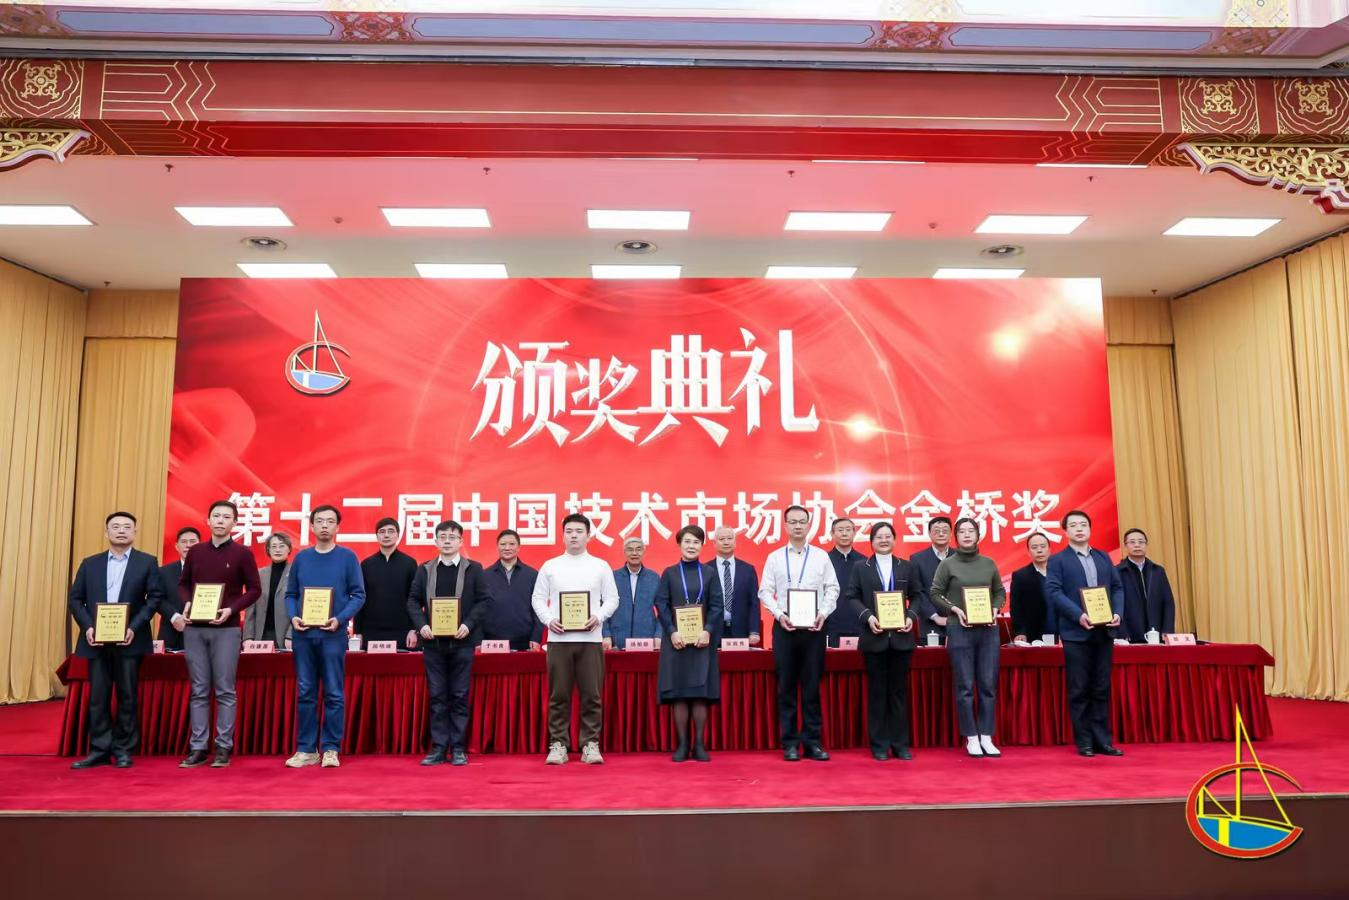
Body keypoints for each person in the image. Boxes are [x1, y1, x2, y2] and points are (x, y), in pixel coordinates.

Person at [67, 512, 165, 769]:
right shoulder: (90, 563)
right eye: (116, 526)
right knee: (98, 697)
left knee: (127, 696)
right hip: (96, 640)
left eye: (127, 527)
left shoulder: (147, 562)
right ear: (106, 532)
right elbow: (76, 599)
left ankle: (123, 749)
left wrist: (133, 627)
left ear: (134, 532)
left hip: (130, 640)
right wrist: (88, 627)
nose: (121, 530)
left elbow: (154, 598)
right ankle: (99, 749)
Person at [170, 500, 261, 769]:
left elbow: (254, 590)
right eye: (216, 516)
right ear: (208, 521)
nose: (220, 521)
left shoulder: (243, 553)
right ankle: (198, 747)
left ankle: (223, 746)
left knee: (225, 690)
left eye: (226, 517)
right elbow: (183, 584)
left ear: (235, 523)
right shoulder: (196, 552)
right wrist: (187, 602)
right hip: (195, 628)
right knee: (198, 690)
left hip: (227, 629)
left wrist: (231, 609)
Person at [531, 513, 620, 765]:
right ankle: (558, 744)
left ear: (588, 535)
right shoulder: (550, 566)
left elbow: (612, 599)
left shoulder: (600, 566)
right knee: (558, 695)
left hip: (590, 639)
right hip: (558, 640)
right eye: (569, 531)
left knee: (592, 695)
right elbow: (538, 599)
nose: (574, 536)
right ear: (563, 535)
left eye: (579, 531)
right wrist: (549, 620)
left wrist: (598, 617)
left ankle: (590, 744)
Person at [284, 504, 365, 769]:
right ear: (312, 526)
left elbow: (358, 595)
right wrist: (293, 616)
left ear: (338, 527)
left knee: (334, 693)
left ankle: (331, 748)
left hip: (333, 635)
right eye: (320, 521)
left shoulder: (348, 557)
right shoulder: (302, 558)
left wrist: (340, 619)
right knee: (306, 692)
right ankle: (307, 749)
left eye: (330, 521)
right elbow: (291, 594)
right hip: (304, 635)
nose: (325, 526)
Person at [407, 520, 493, 766]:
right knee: (437, 696)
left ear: (460, 541)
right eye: (442, 537)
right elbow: (412, 601)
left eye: (452, 537)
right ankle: (438, 748)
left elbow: (485, 600)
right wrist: (421, 625)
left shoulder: (473, 569)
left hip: (463, 642)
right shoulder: (425, 569)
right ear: (435, 541)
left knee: (459, 695)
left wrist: (468, 624)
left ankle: (457, 748)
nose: (447, 541)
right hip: (432, 643)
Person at [759, 504, 839, 762]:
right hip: (785, 628)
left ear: (808, 525)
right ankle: (790, 743)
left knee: (812, 687)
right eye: (792, 522)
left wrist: (822, 613)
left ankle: (813, 743)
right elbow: (764, 591)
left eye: (801, 521)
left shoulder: (820, 557)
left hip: (814, 628)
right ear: (785, 526)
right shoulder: (774, 557)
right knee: (786, 687)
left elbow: (832, 588)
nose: (797, 526)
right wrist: (779, 614)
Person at [1046, 509, 1125, 758]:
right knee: (1079, 688)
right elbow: (1054, 592)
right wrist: (1078, 615)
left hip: (1104, 631)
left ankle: (1103, 741)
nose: (1079, 529)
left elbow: (1117, 587)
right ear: (1065, 531)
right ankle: (1084, 742)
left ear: (1090, 529)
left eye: (1083, 524)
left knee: (1101, 687)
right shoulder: (1058, 560)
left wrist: (1117, 613)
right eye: (1073, 525)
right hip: (1076, 632)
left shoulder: (1103, 557)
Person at [845, 522, 923, 761]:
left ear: (894, 540)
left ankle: (900, 745)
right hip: (874, 639)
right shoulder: (861, 567)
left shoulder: (907, 567)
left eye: (888, 536)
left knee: (898, 694)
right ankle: (879, 745)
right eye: (879, 537)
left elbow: (917, 596)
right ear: (872, 541)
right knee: (877, 694)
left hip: (901, 639)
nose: (884, 540)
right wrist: (868, 617)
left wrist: (910, 617)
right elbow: (852, 596)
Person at [929, 517, 1005, 758]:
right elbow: (935, 593)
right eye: (961, 531)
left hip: (988, 630)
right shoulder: (948, 564)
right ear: (956, 536)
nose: (967, 534)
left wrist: (995, 609)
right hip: (959, 628)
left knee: (988, 685)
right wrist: (954, 610)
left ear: (978, 535)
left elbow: (999, 592)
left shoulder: (989, 563)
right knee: (964, 686)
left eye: (971, 530)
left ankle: (986, 736)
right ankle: (971, 737)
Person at [653, 525, 725, 762]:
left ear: (702, 545)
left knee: (700, 694)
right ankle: (682, 744)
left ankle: (700, 744)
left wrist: (708, 630)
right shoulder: (670, 573)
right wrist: (672, 632)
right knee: (680, 695)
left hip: (702, 642)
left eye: (696, 542)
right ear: (679, 545)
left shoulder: (710, 573)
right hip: (677, 642)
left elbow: (717, 606)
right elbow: (661, 604)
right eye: (687, 542)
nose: (691, 546)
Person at [357, 517, 418, 649]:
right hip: (371, 631)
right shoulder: (366, 564)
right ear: (377, 536)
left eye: (391, 531)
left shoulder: (409, 563)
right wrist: (358, 632)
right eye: (382, 531)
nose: (386, 535)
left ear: (398, 535)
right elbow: (360, 598)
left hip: (402, 631)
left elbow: (414, 599)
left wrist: (413, 629)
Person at [482, 529, 542, 651]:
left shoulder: (532, 575)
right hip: (492, 642)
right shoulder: (484, 575)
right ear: (497, 547)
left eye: (512, 544)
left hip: (524, 642)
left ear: (519, 547)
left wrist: (536, 637)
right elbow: (479, 609)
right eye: (503, 544)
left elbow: (538, 608)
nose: (507, 548)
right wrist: (479, 640)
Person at [1117, 528, 1176, 642]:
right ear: (1125, 545)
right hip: (1129, 634)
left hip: (1156, 631)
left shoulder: (1158, 571)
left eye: (1141, 542)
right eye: (1132, 542)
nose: (1137, 545)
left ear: (1146, 545)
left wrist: (1167, 629)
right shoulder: (1117, 572)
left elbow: (1168, 602)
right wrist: (1121, 630)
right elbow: (1115, 605)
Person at [604, 536, 660, 649]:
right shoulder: (613, 577)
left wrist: (659, 635)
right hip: (617, 640)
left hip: (646, 639)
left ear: (644, 552)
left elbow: (663, 610)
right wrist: (606, 634)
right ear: (624, 552)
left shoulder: (654, 578)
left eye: (638, 549)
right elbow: (603, 607)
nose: (634, 553)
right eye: (630, 549)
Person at [243, 532, 294, 650]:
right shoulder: (259, 574)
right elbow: (250, 609)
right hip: (261, 635)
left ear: (289, 549)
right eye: (274, 546)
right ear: (268, 550)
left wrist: (291, 635)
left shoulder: (295, 573)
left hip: (286, 637)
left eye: (282, 546)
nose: (278, 550)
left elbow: (300, 607)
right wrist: (248, 637)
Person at [711, 526, 760, 645]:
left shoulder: (748, 570)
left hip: (741, 630)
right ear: (714, 543)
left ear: (735, 542)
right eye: (721, 539)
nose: (726, 542)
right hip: (712, 631)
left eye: (729, 538)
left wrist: (754, 631)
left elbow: (754, 603)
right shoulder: (706, 570)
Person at [156, 525, 199, 652]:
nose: (188, 545)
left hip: (201, 634)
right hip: (171, 634)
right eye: (184, 542)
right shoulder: (163, 572)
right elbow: (156, 598)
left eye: (192, 542)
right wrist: (174, 617)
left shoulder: (210, 571)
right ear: (176, 546)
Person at [911, 515, 953, 643]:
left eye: (945, 530)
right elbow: (917, 592)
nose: (941, 533)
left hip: (959, 624)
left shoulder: (960, 557)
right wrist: (935, 616)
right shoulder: (917, 559)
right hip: (929, 625)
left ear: (951, 534)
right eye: (936, 530)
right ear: (929, 534)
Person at [825, 517, 863, 648]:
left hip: (859, 623)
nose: (844, 533)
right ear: (832, 533)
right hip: (830, 624)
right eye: (840, 530)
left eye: (848, 530)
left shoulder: (864, 561)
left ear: (854, 533)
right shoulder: (824, 560)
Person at [1009, 532, 1053, 643]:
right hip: (1034, 633)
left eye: (1043, 546)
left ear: (1049, 549)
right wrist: (1020, 632)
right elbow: (1016, 607)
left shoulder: (1061, 572)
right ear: (1028, 552)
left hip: (1063, 632)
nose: (1039, 550)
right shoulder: (1020, 576)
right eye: (1034, 547)